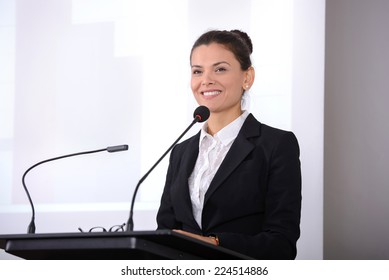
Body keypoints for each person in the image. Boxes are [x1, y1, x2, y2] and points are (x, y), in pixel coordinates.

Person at [156, 29, 301, 259]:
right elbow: (165, 230)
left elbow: (281, 244)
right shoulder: (180, 152)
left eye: (220, 69)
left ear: (247, 77)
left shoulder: (277, 145)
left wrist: (214, 243)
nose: (206, 80)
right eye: (197, 71)